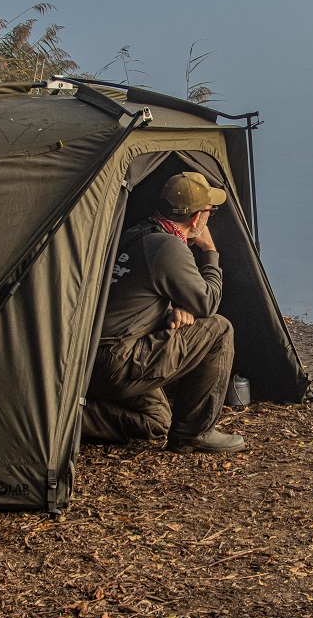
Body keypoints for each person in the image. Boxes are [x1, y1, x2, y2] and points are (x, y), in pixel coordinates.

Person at [82, 171, 245, 453]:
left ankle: (71, 417)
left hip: (87, 362)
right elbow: (207, 302)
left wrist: (174, 308)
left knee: (156, 421)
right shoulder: (169, 247)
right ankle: (195, 434)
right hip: (118, 361)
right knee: (219, 328)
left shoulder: (138, 232)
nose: (210, 218)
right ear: (196, 218)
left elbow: (137, 293)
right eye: (210, 211)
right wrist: (210, 251)